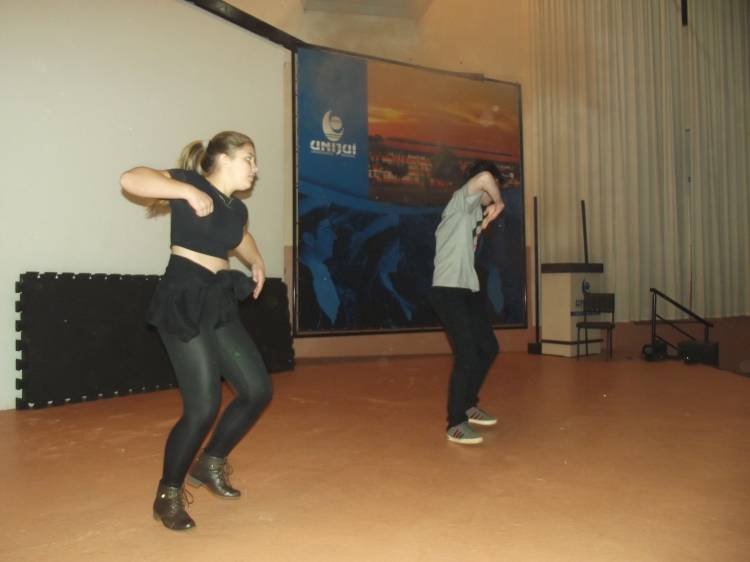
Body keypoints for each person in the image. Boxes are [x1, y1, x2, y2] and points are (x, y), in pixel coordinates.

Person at [120, 131, 272, 530]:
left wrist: (256, 261)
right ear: (223, 158)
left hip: (218, 300)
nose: (255, 168)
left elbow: (241, 237)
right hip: (183, 297)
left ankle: (209, 462)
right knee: (203, 406)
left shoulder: (236, 209)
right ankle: (167, 494)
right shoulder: (190, 183)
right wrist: (184, 191)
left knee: (257, 390)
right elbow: (131, 179)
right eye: (249, 159)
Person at [429, 160, 506, 445]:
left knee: (488, 347)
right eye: (494, 189)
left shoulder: (473, 212)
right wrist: (499, 202)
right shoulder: (459, 202)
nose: (493, 195)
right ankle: (455, 422)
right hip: (448, 289)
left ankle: (468, 404)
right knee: (467, 355)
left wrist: (489, 212)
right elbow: (484, 177)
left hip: (467, 289)